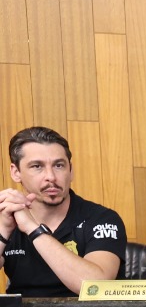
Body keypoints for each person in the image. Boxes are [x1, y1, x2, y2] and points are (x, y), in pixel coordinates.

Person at [1, 127, 125, 296]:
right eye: (37, 166)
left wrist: (32, 228)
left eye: (59, 165)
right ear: (16, 173)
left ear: (70, 170)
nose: (51, 177)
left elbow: (95, 287)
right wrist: (3, 231)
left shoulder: (102, 218)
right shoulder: (6, 217)